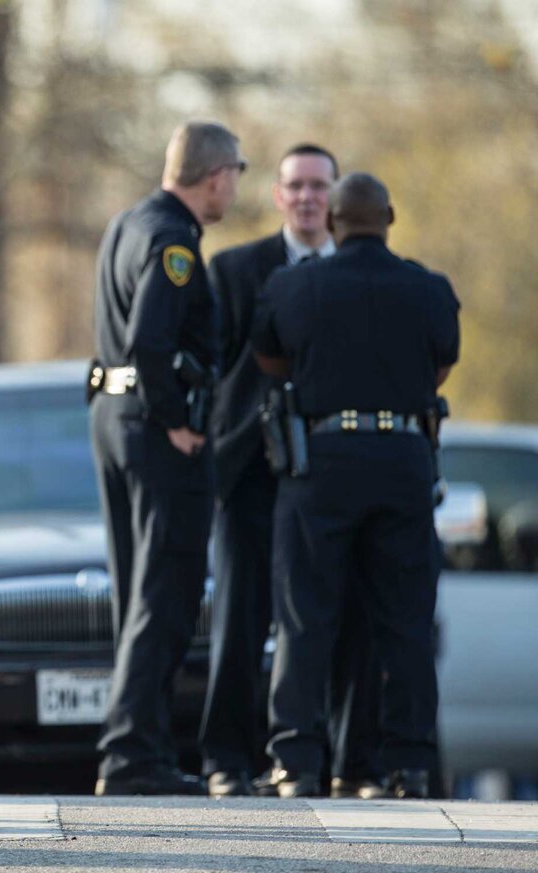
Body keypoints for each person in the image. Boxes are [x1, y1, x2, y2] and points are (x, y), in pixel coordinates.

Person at [251, 172, 460, 798]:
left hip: (323, 458)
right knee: (405, 621)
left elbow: (271, 358)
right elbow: (443, 364)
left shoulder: (293, 284)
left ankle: (297, 763)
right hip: (404, 456)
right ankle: (410, 765)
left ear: (334, 222)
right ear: (389, 217)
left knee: (304, 616)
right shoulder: (429, 288)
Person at [201, 144, 384, 798]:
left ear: (336, 201)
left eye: (319, 187)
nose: (307, 197)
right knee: (240, 620)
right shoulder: (232, 270)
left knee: (337, 620)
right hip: (251, 474)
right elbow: (216, 369)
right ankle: (227, 758)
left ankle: (338, 760)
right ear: (277, 196)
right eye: (295, 186)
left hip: (335, 478)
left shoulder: (368, 275)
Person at [89, 121, 243, 796]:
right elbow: (153, 341)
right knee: (166, 592)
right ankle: (131, 753)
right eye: (235, 174)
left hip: (114, 418)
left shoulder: (129, 222)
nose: (234, 187)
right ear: (216, 176)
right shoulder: (174, 239)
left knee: (137, 589)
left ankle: (138, 745)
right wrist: (178, 419)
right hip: (156, 431)